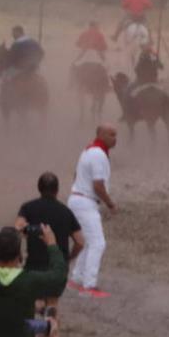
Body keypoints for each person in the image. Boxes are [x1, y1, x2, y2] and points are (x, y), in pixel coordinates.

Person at [15, 172, 85, 312]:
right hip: (56, 269)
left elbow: (18, 227)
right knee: (52, 304)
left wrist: (32, 233)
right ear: (57, 190)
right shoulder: (66, 212)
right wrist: (69, 258)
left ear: (39, 188)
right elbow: (80, 242)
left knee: (32, 303)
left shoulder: (28, 207)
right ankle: (51, 330)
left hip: (34, 266)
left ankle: (37, 315)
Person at [68, 125, 117, 297]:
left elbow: (76, 175)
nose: (115, 138)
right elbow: (98, 185)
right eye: (111, 134)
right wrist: (110, 204)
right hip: (86, 202)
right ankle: (89, 285)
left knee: (88, 242)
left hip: (77, 198)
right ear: (100, 135)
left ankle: (76, 279)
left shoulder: (88, 150)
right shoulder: (98, 154)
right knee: (98, 243)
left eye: (115, 135)